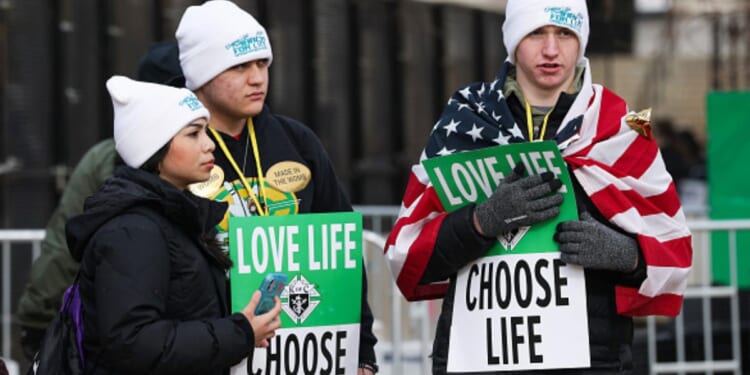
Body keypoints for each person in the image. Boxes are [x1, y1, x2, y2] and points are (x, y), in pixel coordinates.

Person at [384, 0, 693, 374]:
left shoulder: (620, 127)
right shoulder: (466, 119)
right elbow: (408, 253)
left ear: (581, 41)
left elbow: (674, 253)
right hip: (477, 359)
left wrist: (627, 255)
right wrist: (481, 222)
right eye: (535, 33)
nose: (551, 50)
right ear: (514, 40)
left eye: (565, 33)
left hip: (594, 361)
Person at [174, 1, 379, 373]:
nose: (257, 78)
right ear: (202, 76)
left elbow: (344, 251)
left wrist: (362, 352)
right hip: (214, 353)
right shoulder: (174, 150)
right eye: (239, 66)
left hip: (308, 351)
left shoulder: (296, 141)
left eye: (262, 64)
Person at [65, 76, 282, 373]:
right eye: (193, 134)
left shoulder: (172, 217)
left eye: (206, 132)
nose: (209, 145)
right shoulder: (132, 231)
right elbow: (133, 342)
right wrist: (240, 332)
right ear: (154, 148)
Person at [15, 40, 186, 359]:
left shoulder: (106, 157)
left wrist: (36, 319)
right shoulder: (108, 160)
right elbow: (65, 246)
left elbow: (63, 246)